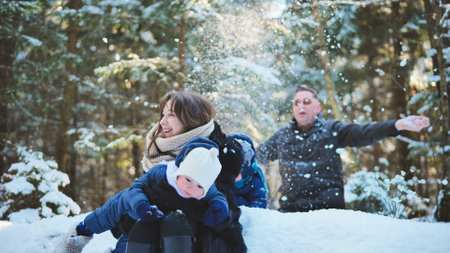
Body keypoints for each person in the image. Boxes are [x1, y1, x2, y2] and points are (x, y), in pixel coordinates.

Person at [255, 85, 430, 213]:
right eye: (297, 103)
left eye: (306, 102)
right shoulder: (282, 136)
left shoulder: (332, 130)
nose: (301, 106)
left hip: (330, 213)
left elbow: (363, 133)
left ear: (318, 107)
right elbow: (256, 156)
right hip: (291, 213)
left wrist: (396, 125)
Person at [54, 137, 228, 253]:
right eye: (188, 180)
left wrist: (218, 209)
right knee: (114, 208)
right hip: (136, 209)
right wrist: (140, 205)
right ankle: (78, 234)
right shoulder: (162, 174)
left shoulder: (205, 185)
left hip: (157, 226)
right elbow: (136, 187)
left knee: (137, 240)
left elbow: (218, 197)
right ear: (180, 170)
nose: (191, 188)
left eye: (198, 186)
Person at [125, 91, 246, 252]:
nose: (162, 122)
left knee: (174, 222)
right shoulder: (158, 151)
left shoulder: (216, 152)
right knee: (144, 227)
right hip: (158, 234)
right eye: (162, 114)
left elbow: (214, 205)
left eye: (171, 115)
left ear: (191, 118)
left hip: (203, 236)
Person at [230, 133, 267, 208]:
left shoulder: (254, 181)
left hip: (246, 215)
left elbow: (260, 201)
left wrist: (247, 213)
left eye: (238, 171)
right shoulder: (221, 180)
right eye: (231, 170)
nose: (234, 175)